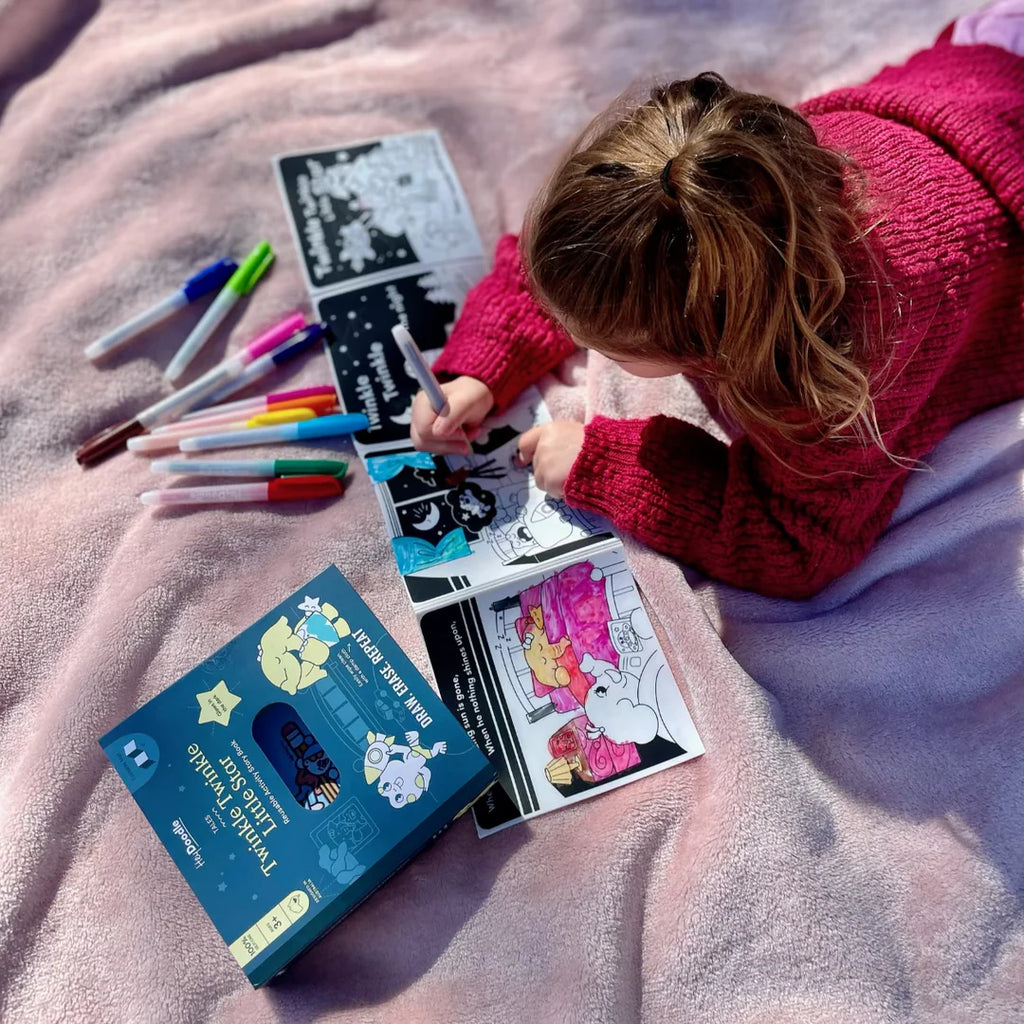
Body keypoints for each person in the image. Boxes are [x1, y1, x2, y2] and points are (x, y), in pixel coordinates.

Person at [410, 16, 1024, 599]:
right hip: (969, 78)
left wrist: (603, 466)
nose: (580, 337)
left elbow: (797, 542)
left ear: (711, 342)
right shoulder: (711, 181)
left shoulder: (832, 372)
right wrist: (478, 368)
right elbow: (581, 266)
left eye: (610, 346)